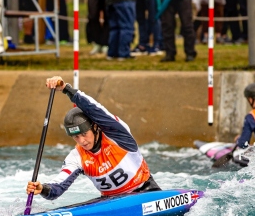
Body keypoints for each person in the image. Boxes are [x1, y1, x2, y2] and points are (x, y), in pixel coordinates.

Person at [26, 76, 161, 200]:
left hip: (146, 191)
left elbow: (95, 109)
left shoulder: (118, 135)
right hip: (110, 203)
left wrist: (66, 89)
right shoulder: (76, 157)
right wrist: (42, 189)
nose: (81, 141)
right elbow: (58, 188)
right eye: (76, 137)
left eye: (84, 134)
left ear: (95, 128)